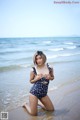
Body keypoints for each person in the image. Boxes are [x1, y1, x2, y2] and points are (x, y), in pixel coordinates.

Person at [23, 51, 55, 116]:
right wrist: (36, 79)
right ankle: (25, 105)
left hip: (44, 93)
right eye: (36, 59)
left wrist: (50, 77)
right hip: (34, 93)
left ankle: (39, 103)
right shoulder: (33, 69)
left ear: (43, 58)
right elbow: (31, 81)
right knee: (34, 114)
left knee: (51, 110)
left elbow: (53, 77)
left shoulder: (50, 68)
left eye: (40, 58)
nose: (38, 60)